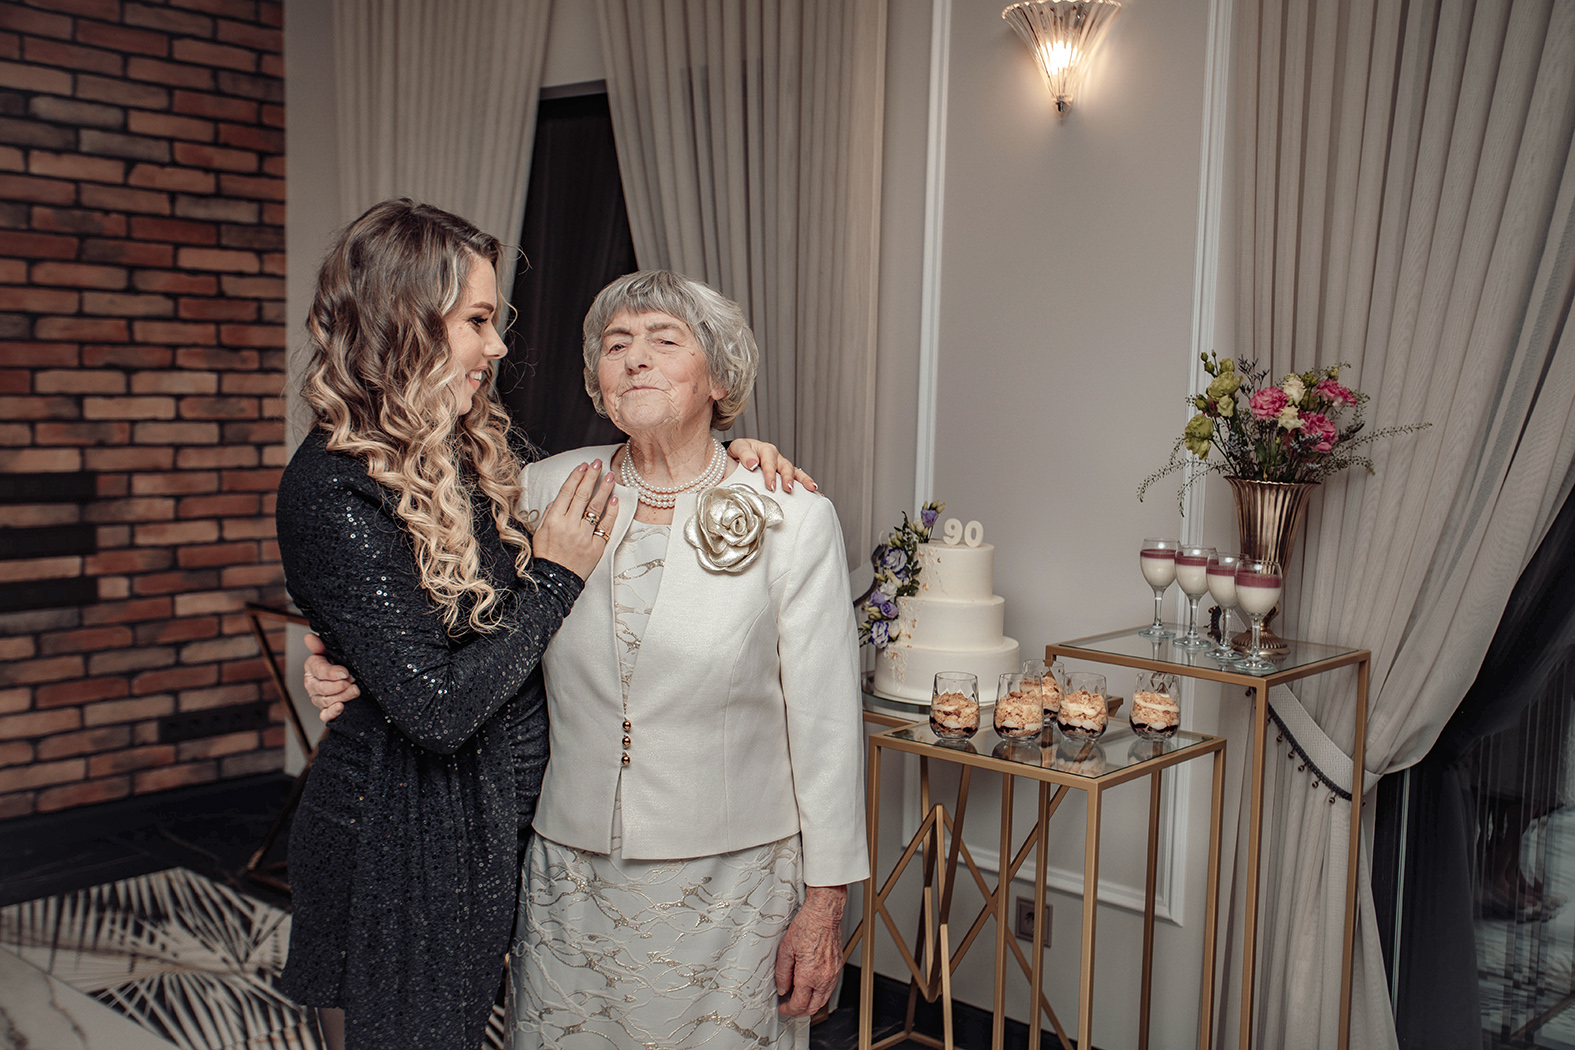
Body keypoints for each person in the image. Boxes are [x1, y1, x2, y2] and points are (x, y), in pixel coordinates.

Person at [278, 201, 807, 1050]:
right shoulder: (332, 486)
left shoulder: (475, 449)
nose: (497, 346)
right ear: (405, 322)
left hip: (485, 835)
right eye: (476, 321)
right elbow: (438, 711)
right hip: (395, 845)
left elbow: (650, 466)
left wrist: (733, 458)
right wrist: (557, 576)